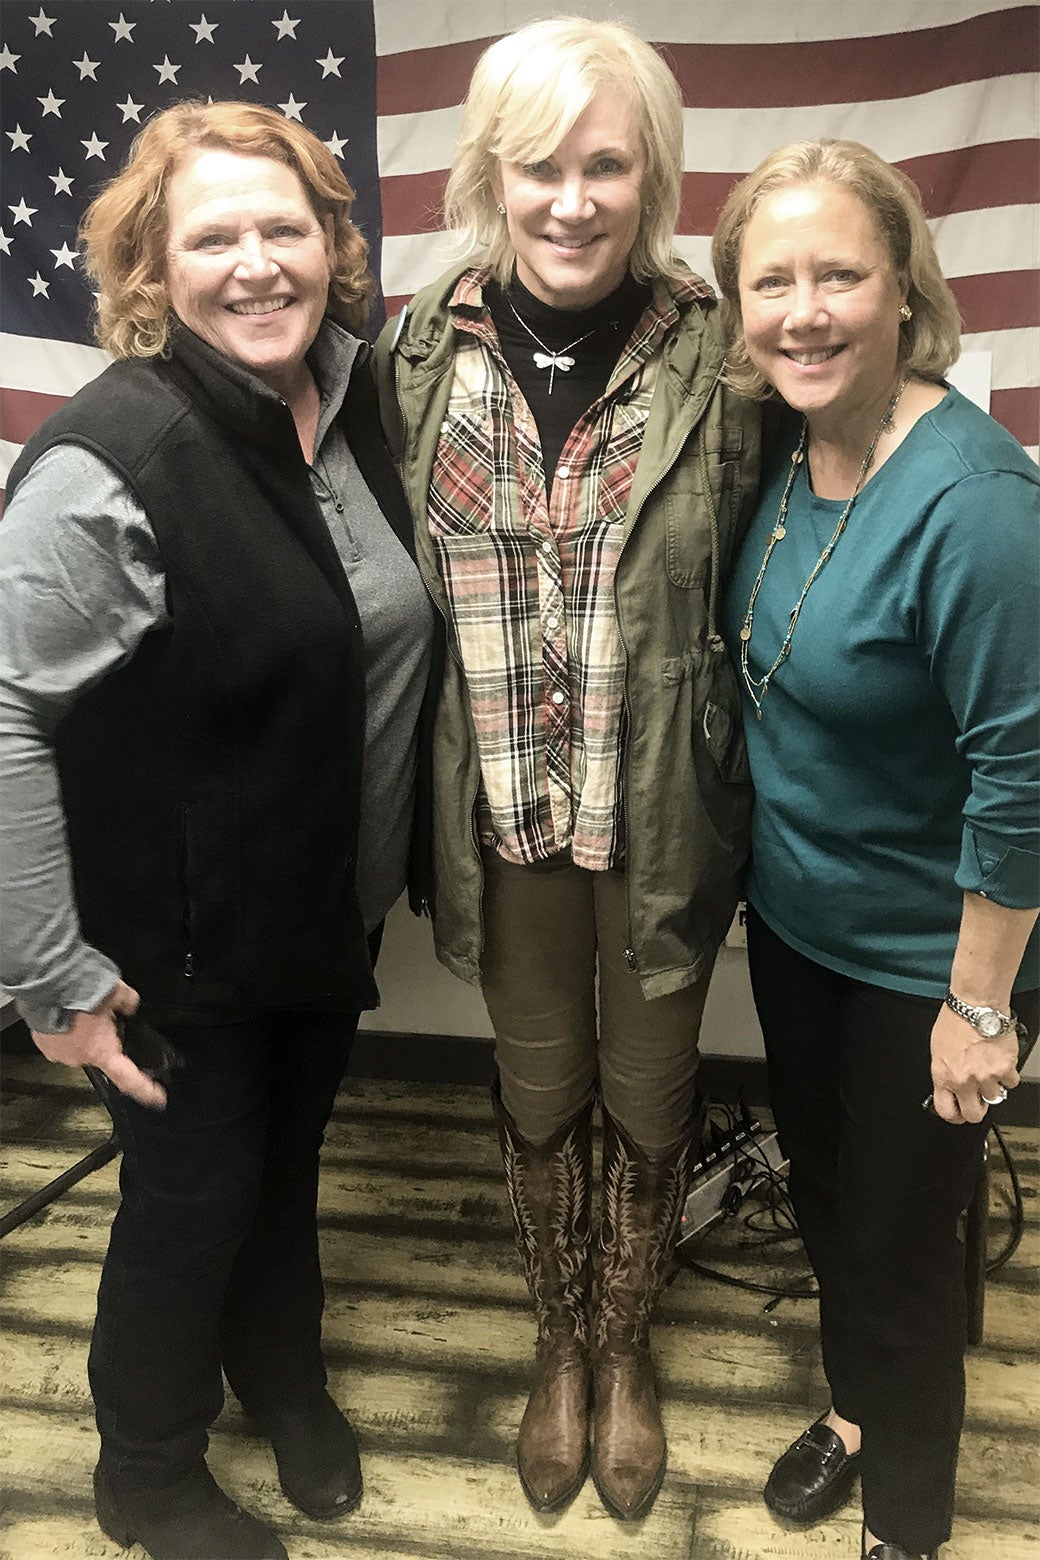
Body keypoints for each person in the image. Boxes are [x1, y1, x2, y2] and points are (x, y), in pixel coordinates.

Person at [0, 102, 433, 1560]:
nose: (256, 266)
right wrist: (51, 978)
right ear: (149, 269)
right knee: (190, 1204)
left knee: (285, 1166)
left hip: (318, 911)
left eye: (283, 228)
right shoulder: (111, 458)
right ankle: (147, 1472)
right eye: (212, 238)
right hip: (169, 956)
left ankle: (285, 1378)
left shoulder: (355, 395)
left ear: (332, 244)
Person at [372, 16, 760, 1523]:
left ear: (653, 174)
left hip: (656, 802)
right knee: (539, 1076)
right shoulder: (417, 348)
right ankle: (559, 1342)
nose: (573, 199)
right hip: (504, 808)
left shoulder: (723, 350)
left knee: (653, 1086)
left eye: (608, 164)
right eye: (541, 165)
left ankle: (628, 1345)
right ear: (492, 171)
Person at [712, 139, 1039, 1560]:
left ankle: (906, 1524)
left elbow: (1023, 773)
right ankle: (855, 1414)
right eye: (770, 279)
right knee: (837, 1205)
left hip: (926, 961)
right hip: (799, 931)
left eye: (838, 273)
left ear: (902, 287)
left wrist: (980, 1008)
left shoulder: (978, 505)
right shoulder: (792, 444)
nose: (804, 310)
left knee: (904, 1263)